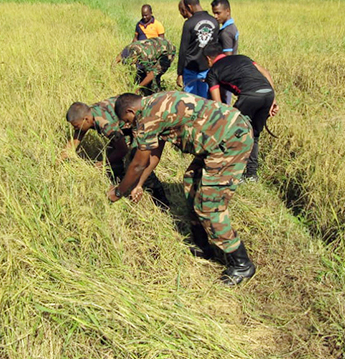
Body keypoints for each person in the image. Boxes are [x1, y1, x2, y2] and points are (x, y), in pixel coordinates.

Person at [107, 91, 256, 286]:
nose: (130, 126)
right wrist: (140, 185)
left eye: (128, 120)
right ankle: (203, 245)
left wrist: (118, 192)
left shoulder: (148, 117)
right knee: (192, 182)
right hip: (221, 137)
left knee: (209, 205)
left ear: (131, 110)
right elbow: (153, 156)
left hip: (230, 141)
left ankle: (242, 264)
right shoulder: (154, 103)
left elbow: (137, 164)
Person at [60, 98, 170, 208]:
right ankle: (122, 184)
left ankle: (160, 199)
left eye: (76, 126)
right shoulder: (89, 113)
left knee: (138, 159)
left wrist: (103, 163)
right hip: (125, 125)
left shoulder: (105, 124)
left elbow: (123, 149)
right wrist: (60, 158)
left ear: (86, 119)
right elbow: (75, 139)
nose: (76, 129)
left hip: (140, 121)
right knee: (113, 156)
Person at [203, 42, 279, 182]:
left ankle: (230, 172)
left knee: (234, 132)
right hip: (268, 93)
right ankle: (251, 174)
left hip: (249, 96)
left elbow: (218, 104)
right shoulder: (243, 58)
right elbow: (266, 73)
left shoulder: (213, 72)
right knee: (254, 135)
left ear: (208, 58)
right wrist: (273, 99)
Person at [176, 0, 219, 98]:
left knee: (191, 101)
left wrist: (180, 73)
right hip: (207, 68)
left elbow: (183, 50)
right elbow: (216, 47)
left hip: (191, 69)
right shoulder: (214, 22)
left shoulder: (189, 24)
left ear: (189, 7)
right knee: (205, 101)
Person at [211, 0, 239, 104]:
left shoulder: (225, 32)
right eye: (214, 13)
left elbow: (227, 56)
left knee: (223, 103)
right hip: (230, 71)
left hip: (225, 73)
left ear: (228, 12)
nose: (215, 16)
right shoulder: (232, 27)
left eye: (218, 13)